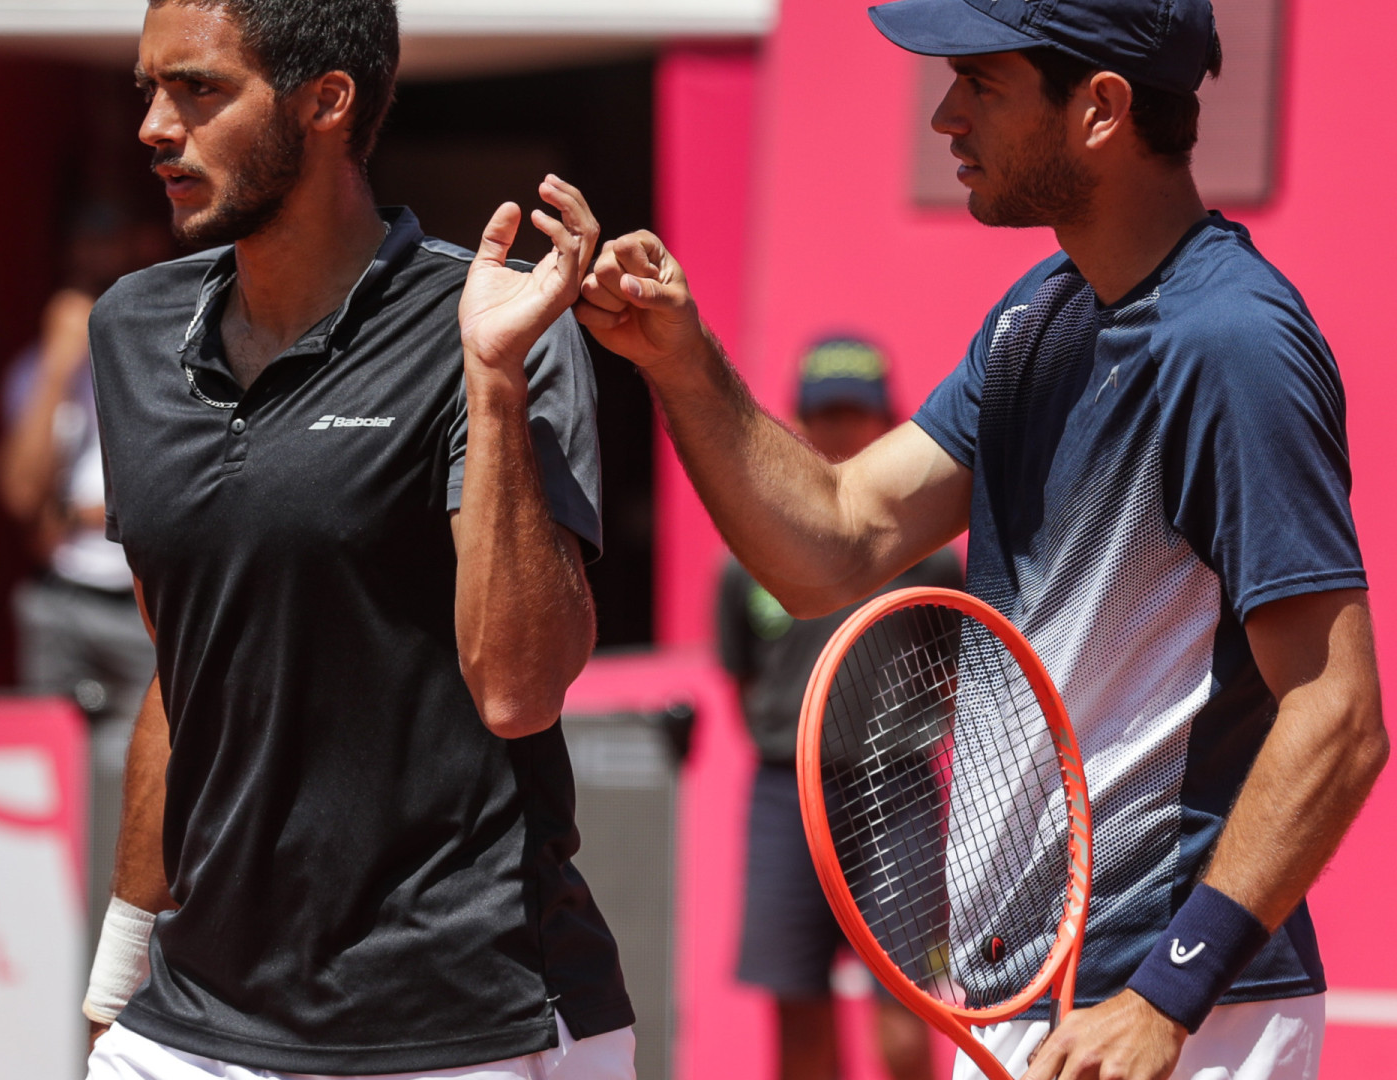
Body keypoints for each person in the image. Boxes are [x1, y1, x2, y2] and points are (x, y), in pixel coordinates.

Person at [576, 0, 1387, 1077]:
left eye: (983, 84)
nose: (946, 118)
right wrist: (677, 360)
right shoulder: (1037, 320)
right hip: (1022, 997)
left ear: (1100, 108)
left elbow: (1339, 714)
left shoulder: (1232, 344)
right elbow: (835, 540)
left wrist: (1165, 999)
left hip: (1176, 1017)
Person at [79, 1, 635, 1078]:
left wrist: (494, 379)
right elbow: (183, 665)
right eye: (146, 88)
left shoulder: (497, 327)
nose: (153, 126)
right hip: (192, 1025)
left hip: (467, 1018)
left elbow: (520, 685)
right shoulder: (129, 332)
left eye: (197, 89)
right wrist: (119, 970)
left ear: (327, 101)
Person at [718, 338, 956, 1080]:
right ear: (798, 420)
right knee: (795, 1001)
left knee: (907, 1000)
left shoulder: (934, 560)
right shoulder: (749, 561)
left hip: (899, 791)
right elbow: (744, 680)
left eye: (857, 412)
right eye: (827, 413)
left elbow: (957, 673)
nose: (842, 429)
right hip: (785, 791)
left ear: (886, 420)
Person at [0, 204, 168, 933]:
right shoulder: (44, 369)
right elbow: (21, 499)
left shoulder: (168, 353)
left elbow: (169, 492)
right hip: (63, 598)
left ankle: (140, 933)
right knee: (46, 779)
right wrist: (61, 364)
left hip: (146, 600)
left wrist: (83, 514)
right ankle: (44, 926)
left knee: (151, 786)